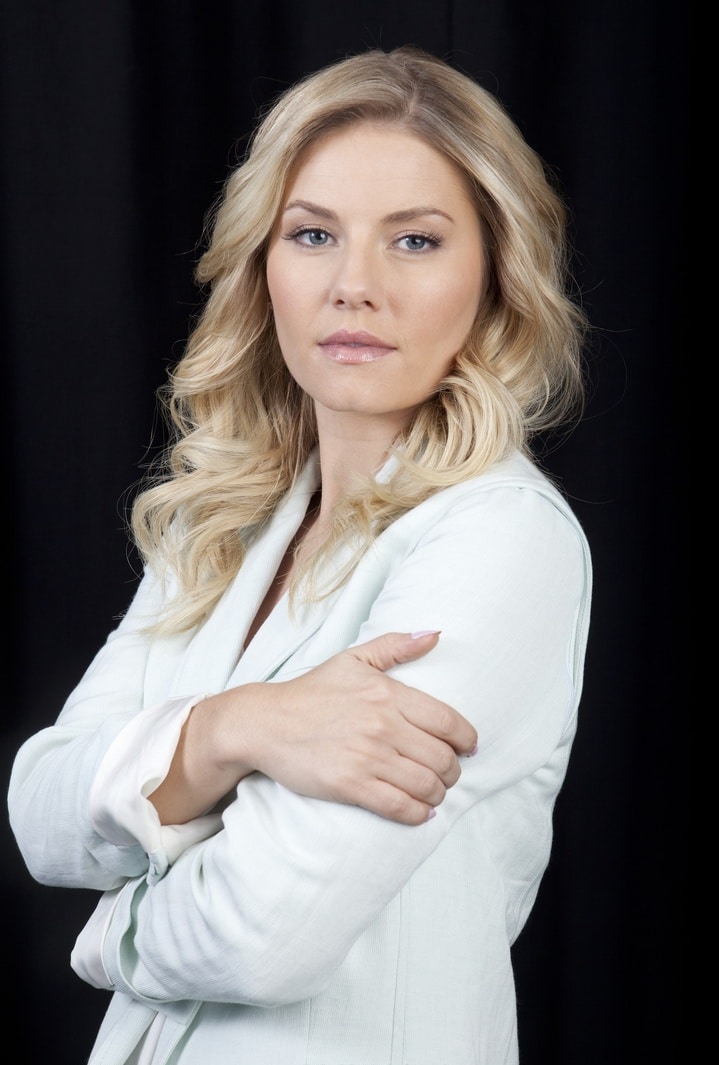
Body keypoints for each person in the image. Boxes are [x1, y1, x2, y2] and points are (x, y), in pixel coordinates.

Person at [8, 45, 592, 1065]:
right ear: (262, 263)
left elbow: (262, 932)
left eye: (415, 240)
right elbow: (41, 811)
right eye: (313, 234)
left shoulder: (499, 536)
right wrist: (235, 728)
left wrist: (108, 932)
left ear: (494, 276)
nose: (354, 285)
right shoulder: (228, 520)